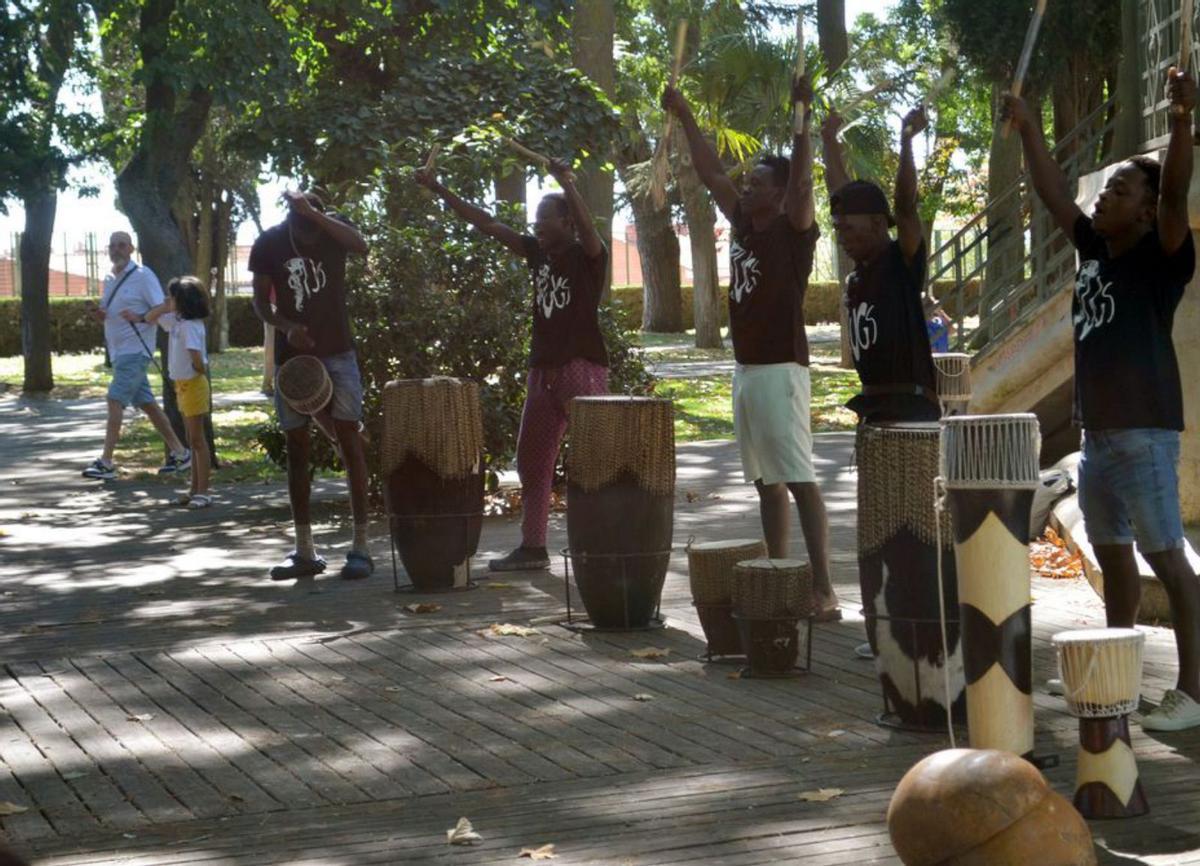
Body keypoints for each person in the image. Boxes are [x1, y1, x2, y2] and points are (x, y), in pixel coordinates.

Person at [1005, 68, 1200, 731]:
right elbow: (1055, 194)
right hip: (1098, 437)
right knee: (1113, 552)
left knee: (1167, 555)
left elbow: (1176, 191)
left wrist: (1180, 120)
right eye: (1107, 186)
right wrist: (1030, 130)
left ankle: (1193, 693)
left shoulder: (1162, 255)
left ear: (1146, 212)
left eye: (1120, 189)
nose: (1104, 197)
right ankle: (1115, 674)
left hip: (1146, 430)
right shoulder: (1095, 251)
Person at [663, 74, 840, 619]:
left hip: (781, 371)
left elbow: (806, 185)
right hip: (746, 370)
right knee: (767, 482)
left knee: (800, 478)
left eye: (759, 183)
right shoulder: (742, 221)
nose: (747, 187)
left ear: (782, 194)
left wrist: (802, 118)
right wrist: (685, 112)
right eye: (750, 182)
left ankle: (825, 591)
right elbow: (711, 169)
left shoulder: (794, 229)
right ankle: (784, 578)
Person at [416, 158, 609, 572]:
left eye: (545, 219)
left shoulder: (588, 256)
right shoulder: (537, 254)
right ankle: (534, 547)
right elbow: (487, 223)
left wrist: (567, 183)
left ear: (568, 222)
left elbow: (591, 231)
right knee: (532, 460)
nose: (536, 225)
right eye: (535, 219)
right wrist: (439, 189)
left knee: (595, 459)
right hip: (543, 372)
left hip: (581, 368)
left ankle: (602, 547)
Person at [249, 191, 373, 581]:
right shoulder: (270, 242)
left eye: (312, 222)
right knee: (297, 446)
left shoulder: (335, 232)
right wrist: (287, 328)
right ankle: (305, 551)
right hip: (295, 359)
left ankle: (361, 547)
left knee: (349, 439)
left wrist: (317, 217)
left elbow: (362, 246)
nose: (307, 235)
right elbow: (260, 301)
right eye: (299, 224)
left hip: (339, 351)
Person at [821, 106, 940, 425]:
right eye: (838, 228)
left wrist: (906, 143)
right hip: (872, 409)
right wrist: (829, 140)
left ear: (877, 223)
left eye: (847, 227)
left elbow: (904, 206)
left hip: (910, 410)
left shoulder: (899, 262)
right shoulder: (859, 274)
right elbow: (840, 194)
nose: (841, 235)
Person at [81, 231, 191, 480]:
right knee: (148, 405)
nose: (116, 249)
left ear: (131, 249)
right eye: (112, 245)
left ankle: (106, 462)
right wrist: (96, 313)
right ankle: (181, 454)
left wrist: (141, 318)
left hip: (136, 350)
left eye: (122, 245)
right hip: (120, 352)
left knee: (114, 399)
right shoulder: (109, 278)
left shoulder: (142, 275)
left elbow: (163, 306)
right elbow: (108, 315)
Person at [132, 276, 213, 508]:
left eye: (173, 296)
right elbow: (150, 317)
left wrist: (193, 372)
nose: (168, 300)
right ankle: (194, 488)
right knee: (192, 439)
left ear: (184, 301)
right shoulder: (178, 322)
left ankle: (203, 491)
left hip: (193, 385)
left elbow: (198, 360)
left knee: (198, 441)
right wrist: (167, 305)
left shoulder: (189, 327)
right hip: (183, 385)